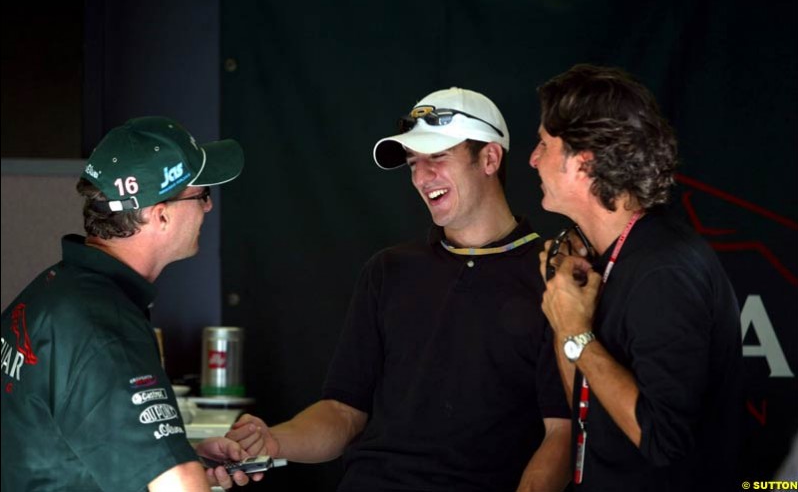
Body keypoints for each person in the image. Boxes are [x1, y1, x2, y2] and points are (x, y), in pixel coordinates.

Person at [228, 87, 572, 491]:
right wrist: (273, 441)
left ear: (490, 158)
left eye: (438, 158)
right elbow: (343, 410)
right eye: (413, 163)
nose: (422, 177)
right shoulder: (389, 271)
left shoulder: (554, 276)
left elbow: (561, 432)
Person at [0, 116, 257, 491]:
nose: (208, 208)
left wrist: (175, 455)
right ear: (161, 215)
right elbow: (180, 485)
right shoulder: (103, 325)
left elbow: (64, 443)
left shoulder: (51, 292)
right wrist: (179, 471)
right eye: (202, 195)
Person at [529, 64, 743, 491]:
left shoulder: (665, 270)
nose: (533, 159)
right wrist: (564, 309)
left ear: (584, 163)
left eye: (544, 144)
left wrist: (576, 333)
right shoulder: (606, 258)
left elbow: (663, 441)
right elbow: (588, 415)